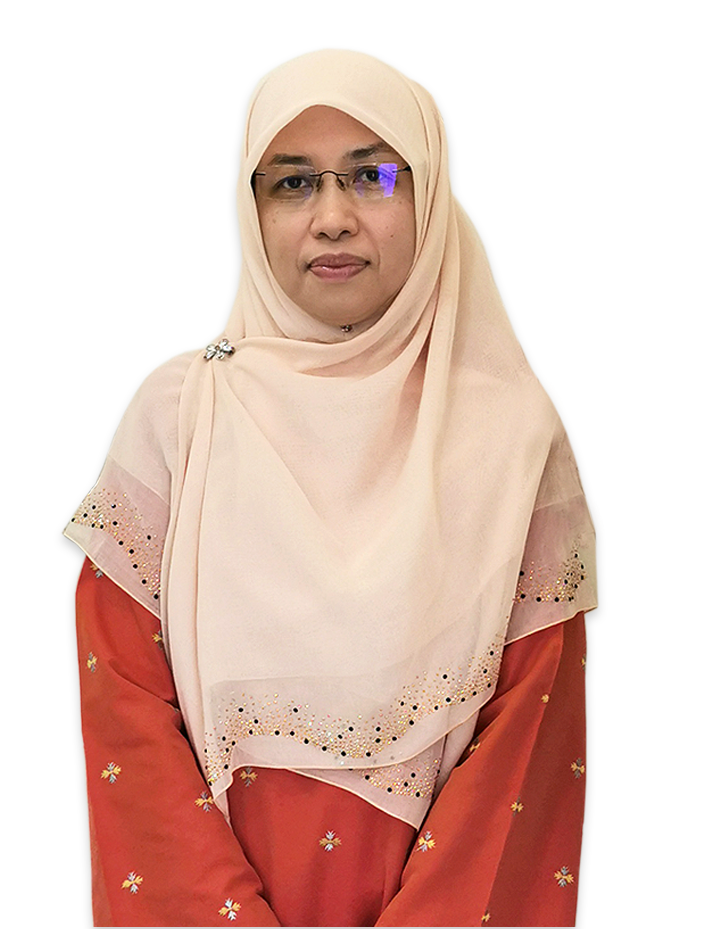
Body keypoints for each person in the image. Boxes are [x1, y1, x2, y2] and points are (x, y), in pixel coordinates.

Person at [60, 46, 601, 928]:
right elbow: (125, 711)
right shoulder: (180, 421)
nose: (334, 218)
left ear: (432, 196)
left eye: (374, 176)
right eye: (293, 183)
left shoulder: (512, 440)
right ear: (250, 208)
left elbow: (527, 746)